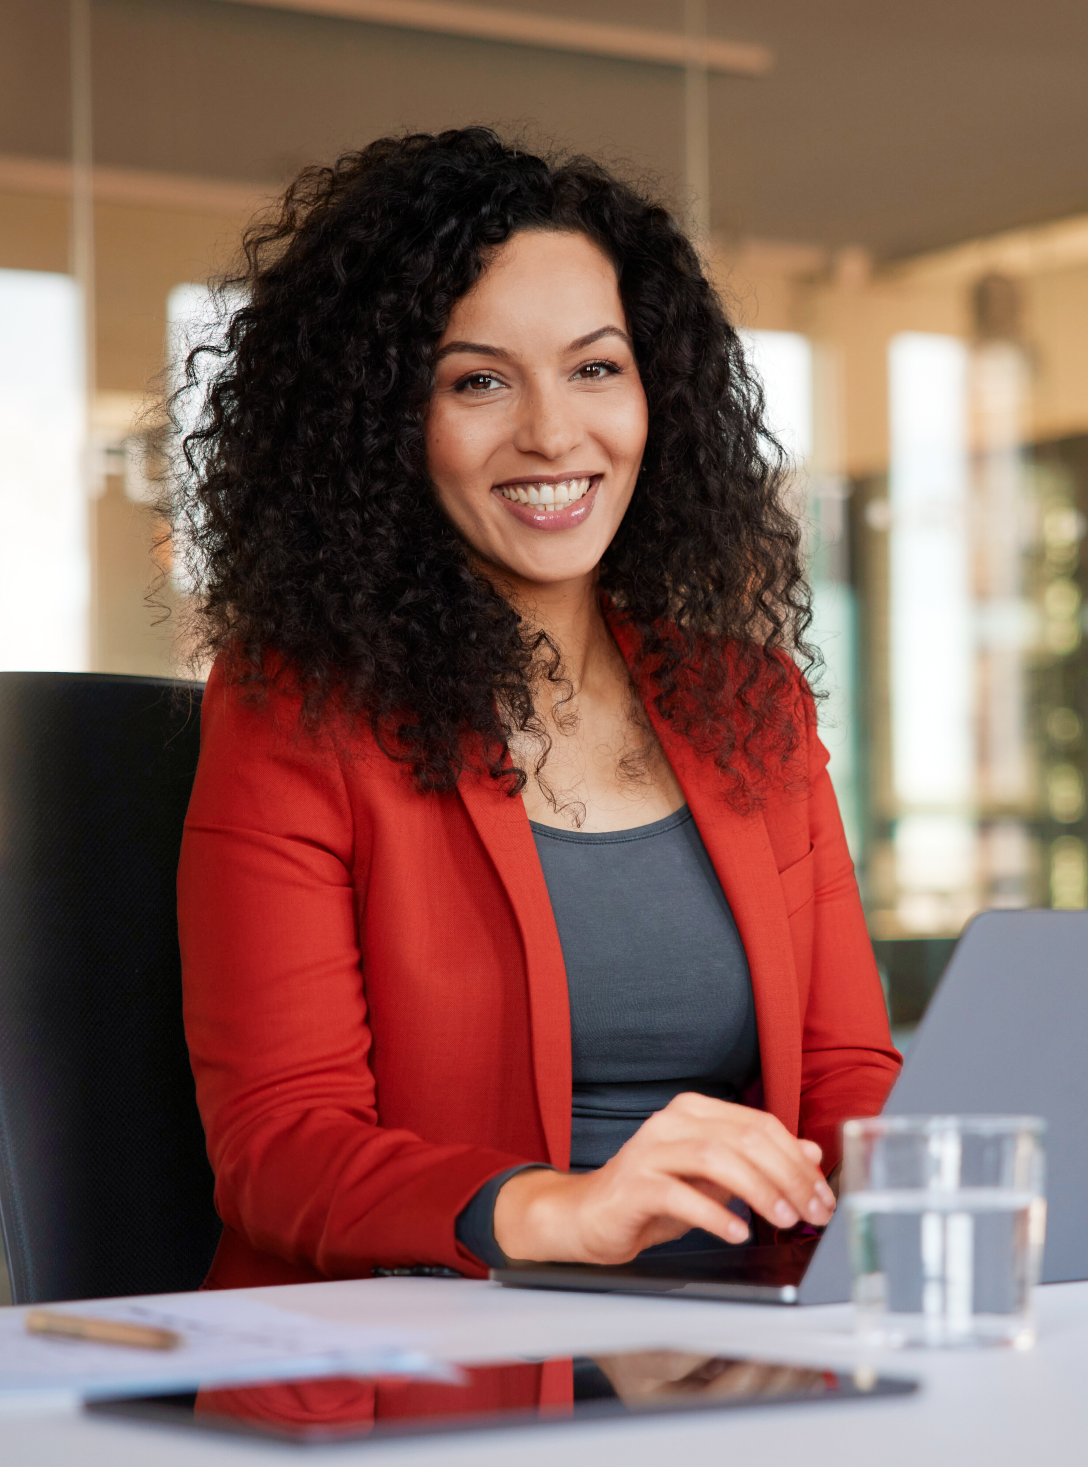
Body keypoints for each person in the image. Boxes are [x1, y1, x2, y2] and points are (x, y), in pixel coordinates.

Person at [171, 128, 900, 1289]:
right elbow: (280, 1146)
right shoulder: (296, 717)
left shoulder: (746, 703)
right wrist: (563, 1212)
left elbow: (847, 1072)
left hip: (746, 1354)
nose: (555, 435)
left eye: (595, 368)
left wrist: (925, 1177)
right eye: (477, 381)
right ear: (380, 425)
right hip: (441, 1375)